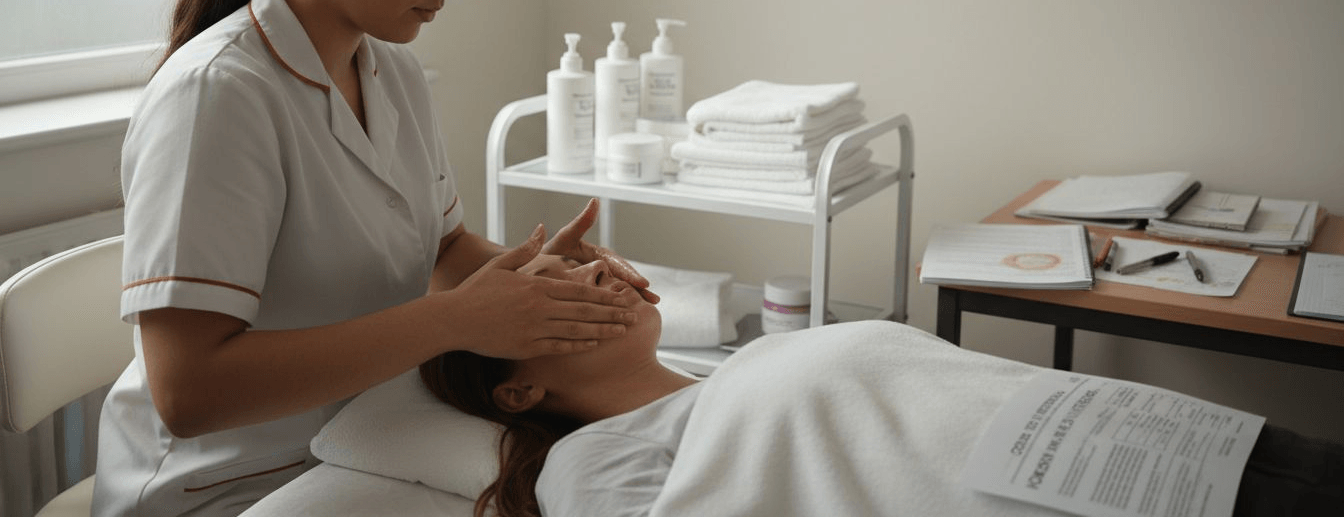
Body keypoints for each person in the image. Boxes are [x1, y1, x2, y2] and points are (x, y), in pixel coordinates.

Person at [93, 0, 654, 517]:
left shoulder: (392, 71)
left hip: (367, 439)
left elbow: (445, 252)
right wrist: (458, 320)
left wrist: (544, 285)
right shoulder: (218, 96)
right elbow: (188, 393)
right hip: (231, 486)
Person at [423, 256, 1344, 517]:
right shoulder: (588, 461)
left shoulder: (735, 371)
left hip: (1160, 442)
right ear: (517, 393)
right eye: (550, 297)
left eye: (582, 268)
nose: (595, 277)